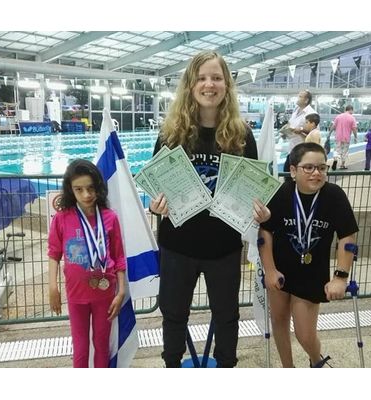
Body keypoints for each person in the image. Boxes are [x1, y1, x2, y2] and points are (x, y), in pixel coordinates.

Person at [148, 50, 270, 368]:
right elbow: (156, 189)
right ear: (190, 85)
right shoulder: (170, 134)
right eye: (201, 78)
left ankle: (226, 366)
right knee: (173, 315)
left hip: (223, 247)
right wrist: (155, 205)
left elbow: (252, 191)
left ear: (226, 85)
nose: (209, 84)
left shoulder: (241, 136)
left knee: (227, 316)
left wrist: (259, 210)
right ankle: (172, 366)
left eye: (216, 78)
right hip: (178, 245)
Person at [259, 142, 358, 368]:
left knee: (304, 334)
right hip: (280, 270)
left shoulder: (334, 196)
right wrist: (270, 270)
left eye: (322, 168)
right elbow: (265, 232)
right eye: (309, 168)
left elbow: (347, 236)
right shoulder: (281, 193)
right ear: (293, 171)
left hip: (312, 273)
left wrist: (340, 277)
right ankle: (288, 368)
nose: (316, 173)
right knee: (279, 321)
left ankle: (316, 361)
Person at [48, 159, 127, 368]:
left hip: (105, 294)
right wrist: (53, 287)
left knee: (102, 345)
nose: (86, 195)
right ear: (70, 190)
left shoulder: (110, 217)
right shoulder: (62, 218)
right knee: (81, 348)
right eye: (79, 189)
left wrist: (121, 291)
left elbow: (119, 256)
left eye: (90, 188)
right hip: (77, 295)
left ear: (98, 187)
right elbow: (54, 253)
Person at [279, 90, 316, 171]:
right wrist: (285, 131)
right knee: (288, 173)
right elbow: (290, 124)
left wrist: (301, 130)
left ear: (306, 100)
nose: (297, 98)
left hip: (302, 151)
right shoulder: (296, 111)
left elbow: (314, 131)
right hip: (292, 148)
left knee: (294, 174)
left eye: (300, 96)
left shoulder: (311, 113)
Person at [328, 104, 358, 170]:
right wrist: (356, 137)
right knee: (345, 151)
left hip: (338, 137)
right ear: (351, 110)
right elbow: (354, 129)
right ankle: (342, 165)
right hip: (346, 138)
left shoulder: (338, 116)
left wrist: (329, 134)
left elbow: (333, 126)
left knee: (336, 150)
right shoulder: (352, 118)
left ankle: (335, 160)